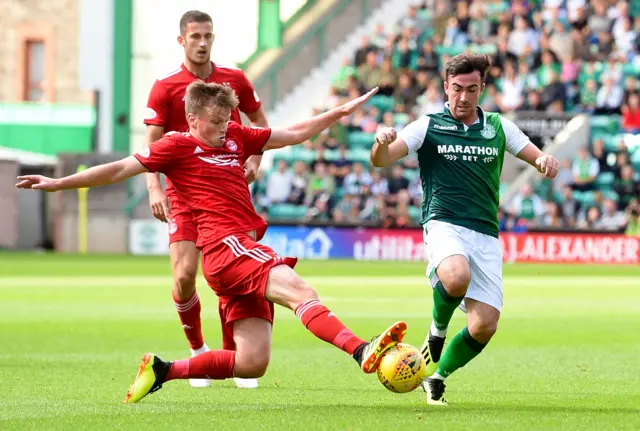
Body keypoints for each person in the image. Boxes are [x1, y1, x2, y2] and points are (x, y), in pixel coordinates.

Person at [16, 82, 407, 405]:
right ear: (192, 118)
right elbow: (119, 169)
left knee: (253, 362)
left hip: (239, 254)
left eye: (226, 120)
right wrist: (57, 183)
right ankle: (361, 350)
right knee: (301, 290)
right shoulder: (175, 147)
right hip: (226, 248)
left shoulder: (235, 135)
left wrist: (338, 113)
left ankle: (163, 370)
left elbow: (290, 135)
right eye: (215, 121)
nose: (223, 128)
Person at [370, 54, 559, 406]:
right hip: (443, 221)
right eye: (457, 89)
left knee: (484, 324)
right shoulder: (427, 125)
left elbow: (535, 156)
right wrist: (381, 143)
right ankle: (436, 331)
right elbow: (382, 160)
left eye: (472, 89)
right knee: (455, 277)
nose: (463, 97)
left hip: (485, 232)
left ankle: (436, 377)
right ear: (446, 87)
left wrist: (545, 161)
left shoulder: (499, 127)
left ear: (482, 89)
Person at [143, 10, 268, 389]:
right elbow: (151, 145)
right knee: (183, 277)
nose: (202, 42)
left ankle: (233, 355)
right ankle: (197, 349)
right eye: (195, 36)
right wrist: (154, 188)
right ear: (181, 40)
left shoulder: (234, 80)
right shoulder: (165, 87)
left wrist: (256, 155)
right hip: (182, 194)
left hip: (225, 193)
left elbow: (258, 119)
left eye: (207, 35)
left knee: (231, 274)